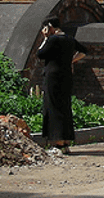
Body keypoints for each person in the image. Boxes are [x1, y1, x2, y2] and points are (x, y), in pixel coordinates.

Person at [37, 15, 87, 152]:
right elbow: (84, 51)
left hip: (53, 77)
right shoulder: (69, 39)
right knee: (65, 107)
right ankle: (65, 143)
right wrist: (71, 60)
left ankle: (58, 142)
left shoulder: (53, 40)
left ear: (50, 27)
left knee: (53, 106)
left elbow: (40, 54)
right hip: (66, 76)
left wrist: (45, 38)